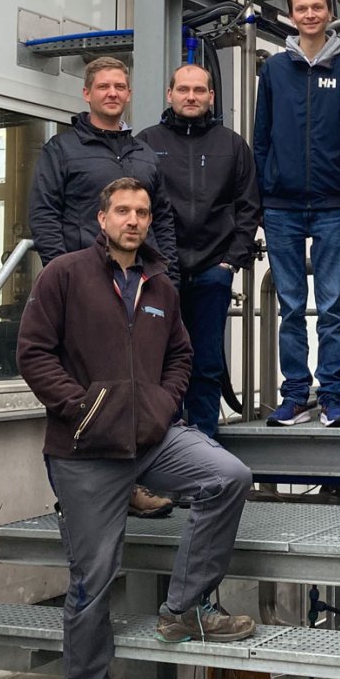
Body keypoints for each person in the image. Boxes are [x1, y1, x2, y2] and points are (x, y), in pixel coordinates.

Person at [16, 178, 254, 679]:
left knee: (227, 476)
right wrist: (82, 407)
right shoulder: (65, 274)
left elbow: (181, 355)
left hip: (150, 437)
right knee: (93, 582)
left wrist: (160, 405)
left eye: (142, 211)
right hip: (84, 450)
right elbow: (33, 352)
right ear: (101, 218)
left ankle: (185, 608)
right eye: (122, 210)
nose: (133, 220)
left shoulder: (160, 285)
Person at [28, 55, 179, 518]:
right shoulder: (62, 149)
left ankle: (131, 484)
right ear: (87, 94)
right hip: (83, 291)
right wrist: (69, 276)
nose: (112, 93)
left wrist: (164, 273)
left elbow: (165, 218)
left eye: (120, 86)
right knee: (78, 388)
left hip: (138, 288)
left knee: (133, 384)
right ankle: (73, 489)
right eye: (103, 86)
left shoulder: (143, 153)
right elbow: (44, 215)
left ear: (128, 94)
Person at [253, 0, 340, 427]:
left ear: (328, 12)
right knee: (292, 306)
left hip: (334, 203)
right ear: (291, 15)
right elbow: (261, 138)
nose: (310, 14)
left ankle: (332, 396)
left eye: (317, 7)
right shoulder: (274, 70)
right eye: (302, 8)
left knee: (333, 306)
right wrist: (262, 192)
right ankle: (295, 395)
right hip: (282, 206)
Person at [139, 63, 260, 439]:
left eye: (199, 90)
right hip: (160, 272)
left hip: (212, 270)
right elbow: (136, 203)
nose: (191, 97)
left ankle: (205, 448)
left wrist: (230, 261)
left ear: (211, 96)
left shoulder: (232, 145)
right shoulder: (146, 142)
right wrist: (152, 260)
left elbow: (249, 205)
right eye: (183, 90)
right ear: (170, 94)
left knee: (206, 363)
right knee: (161, 361)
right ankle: (169, 446)